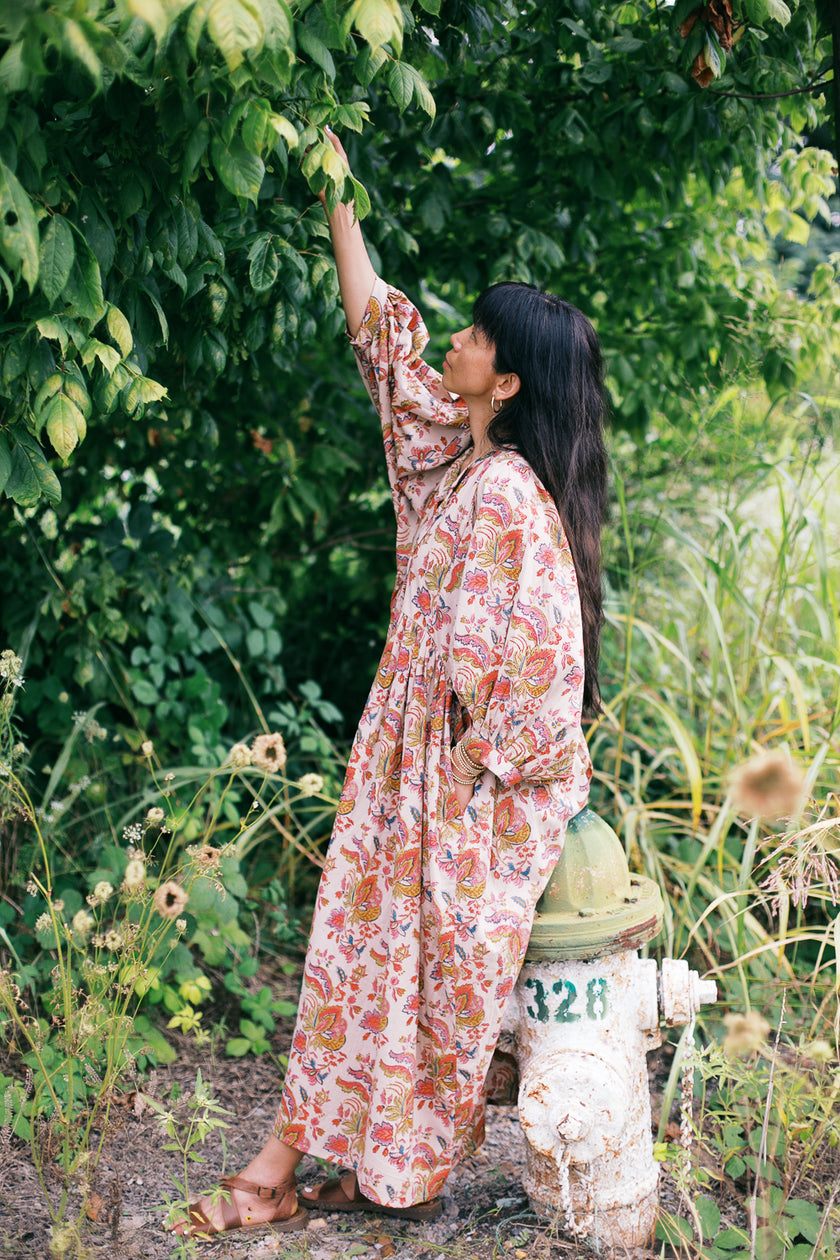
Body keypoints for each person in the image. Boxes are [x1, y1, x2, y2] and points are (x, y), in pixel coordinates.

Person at [170, 130, 607, 1239]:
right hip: (402, 762)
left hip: (440, 788)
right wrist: (337, 196)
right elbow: (380, 334)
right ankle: (344, 1167)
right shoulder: (457, 455)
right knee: (362, 966)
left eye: (473, 338)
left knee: (378, 971)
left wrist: (463, 775)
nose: (452, 343)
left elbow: (552, 680)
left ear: (505, 383)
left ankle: (280, 1168)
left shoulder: (510, 494)